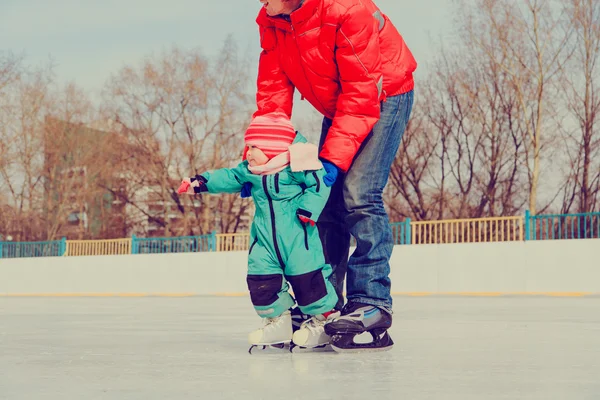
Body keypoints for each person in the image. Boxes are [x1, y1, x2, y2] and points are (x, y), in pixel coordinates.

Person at [253, 0, 417, 351]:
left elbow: (362, 95)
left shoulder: (347, 9)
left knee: (359, 192)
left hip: (384, 92)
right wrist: (262, 161)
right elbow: (272, 97)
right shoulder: (272, 21)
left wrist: (332, 163)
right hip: (341, 103)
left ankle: (371, 300)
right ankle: (323, 301)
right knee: (323, 202)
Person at [178, 113, 339, 351]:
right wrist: (201, 182)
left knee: (309, 281)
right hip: (263, 241)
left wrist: (308, 208)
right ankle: (278, 321)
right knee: (261, 279)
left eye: (254, 146)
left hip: (298, 238)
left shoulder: (299, 167)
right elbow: (229, 176)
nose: (248, 153)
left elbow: (319, 184)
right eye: (248, 147)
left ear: (273, 148)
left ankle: (323, 322)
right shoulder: (251, 172)